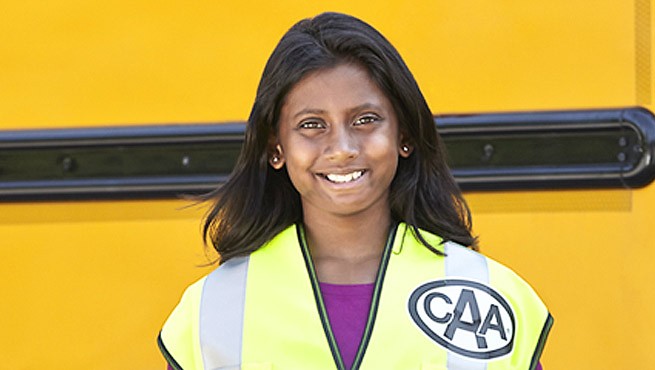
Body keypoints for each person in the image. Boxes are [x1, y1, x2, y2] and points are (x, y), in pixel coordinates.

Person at [158, 12, 552, 370]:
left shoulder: (490, 294)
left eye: (365, 120)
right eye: (312, 124)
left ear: (405, 136)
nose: (343, 148)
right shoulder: (212, 309)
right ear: (275, 148)